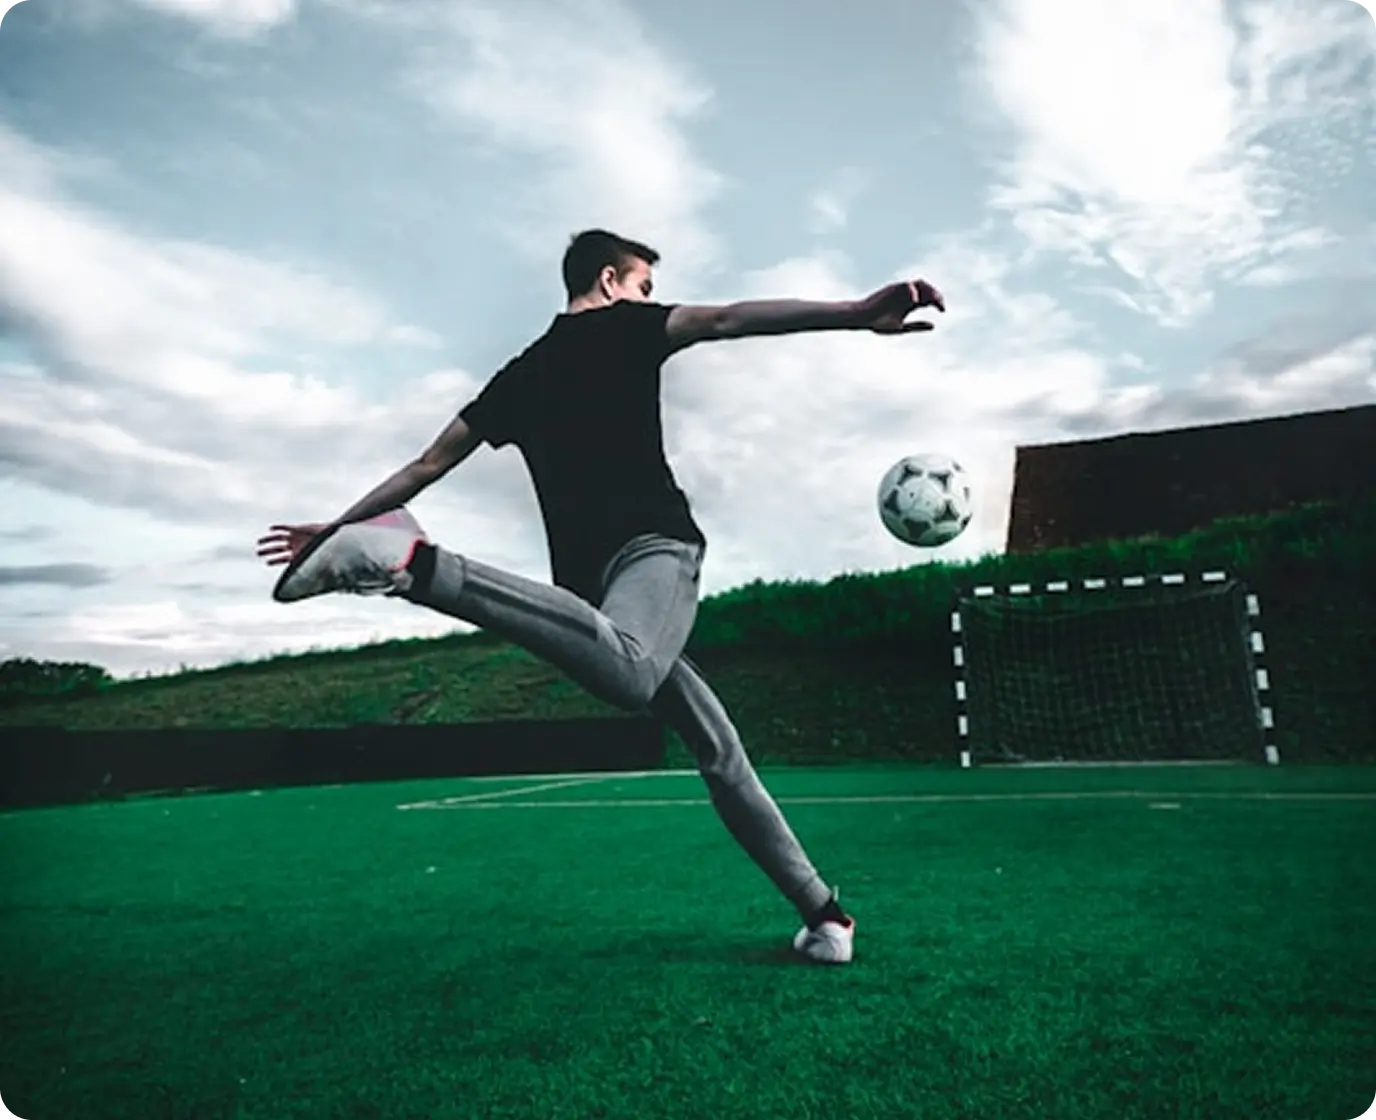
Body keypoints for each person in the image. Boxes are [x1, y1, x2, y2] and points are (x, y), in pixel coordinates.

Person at [257, 229, 945, 964]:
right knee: (630, 673)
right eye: (646, 284)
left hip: (596, 595)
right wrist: (854, 312)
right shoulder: (631, 327)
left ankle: (823, 914)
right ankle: (422, 569)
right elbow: (728, 318)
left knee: (717, 745)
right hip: (655, 551)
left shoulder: (518, 376)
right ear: (613, 281)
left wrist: (336, 527)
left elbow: (425, 466)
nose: (652, 297)